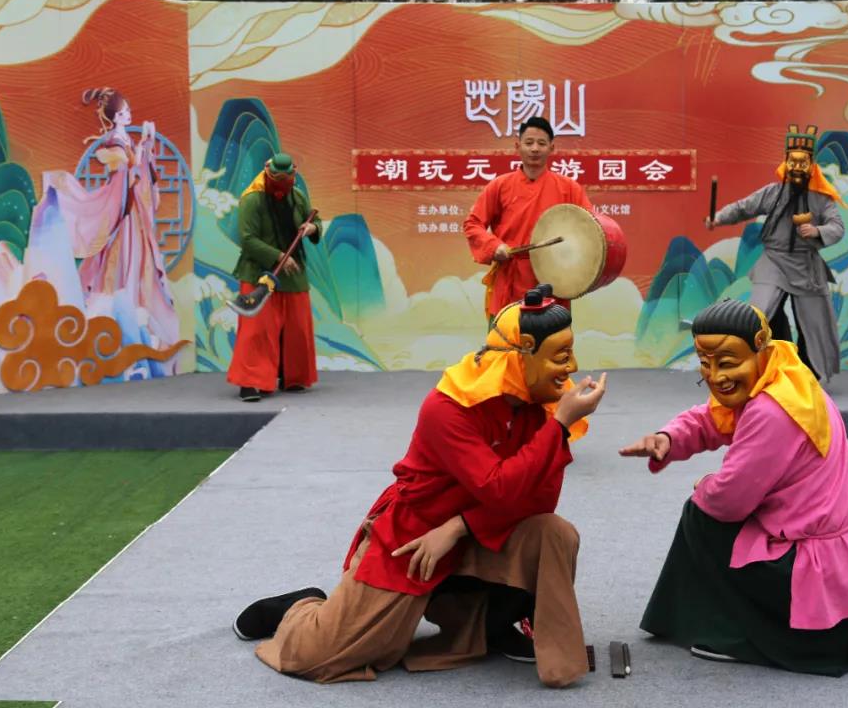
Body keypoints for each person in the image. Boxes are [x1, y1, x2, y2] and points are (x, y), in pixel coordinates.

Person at [233, 286, 607, 688]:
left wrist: (458, 527)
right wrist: (559, 426)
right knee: (318, 656)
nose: (572, 366)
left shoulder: (541, 410)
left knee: (553, 534)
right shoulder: (447, 408)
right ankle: (302, 607)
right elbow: (498, 488)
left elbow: (540, 499)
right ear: (523, 353)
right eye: (560, 356)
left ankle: (493, 629)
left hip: (477, 532)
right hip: (415, 535)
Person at [620, 299, 848, 676]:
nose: (714, 376)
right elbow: (713, 417)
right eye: (705, 363)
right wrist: (669, 437)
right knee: (713, 507)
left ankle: (739, 636)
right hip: (842, 553)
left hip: (808, 558)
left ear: (759, 347)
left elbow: (729, 501)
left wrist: (704, 485)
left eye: (726, 362)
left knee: (702, 514)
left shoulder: (771, 411)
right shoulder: (785, 375)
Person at [28, 87, 181, 374]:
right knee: (118, 262)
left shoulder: (125, 140)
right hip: (122, 212)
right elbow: (124, 176)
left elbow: (137, 170)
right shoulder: (113, 143)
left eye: (128, 110)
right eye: (124, 112)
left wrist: (145, 145)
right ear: (115, 117)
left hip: (132, 213)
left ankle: (137, 311)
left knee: (137, 261)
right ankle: (119, 312)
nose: (128, 115)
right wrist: (141, 148)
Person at [706, 124, 845, 383]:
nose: (797, 167)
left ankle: (810, 373)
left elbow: (837, 227)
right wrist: (719, 218)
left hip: (806, 266)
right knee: (760, 313)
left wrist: (817, 230)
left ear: (811, 166)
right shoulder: (773, 192)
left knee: (813, 322)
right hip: (774, 261)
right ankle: (759, 367)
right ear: (786, 163)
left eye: (803, 163)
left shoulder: (822, 198)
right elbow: (744, 207)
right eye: (793, 162)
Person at [464, 116, 592, 319]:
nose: (535, 149)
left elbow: (590, 227)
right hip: (510, 279)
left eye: (541, 143)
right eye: (529, 142)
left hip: (553, 283)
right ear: (518, 146)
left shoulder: (569, 188)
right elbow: (473, 224)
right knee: (505, 338)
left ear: (551, 148)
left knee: (553, 338)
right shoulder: (500, 186)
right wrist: (493, 246)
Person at [226, 153, 322, 401]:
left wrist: (312, 228)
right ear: (267, 173)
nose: (282, 183)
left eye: (286, 178)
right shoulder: (252, 199)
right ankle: (251, 382)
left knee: (298, 328)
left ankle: (292, 376)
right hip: (258, 272)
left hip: (292, 272)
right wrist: (278, 256)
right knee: (257, 329)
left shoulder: (297, 197)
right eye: (276, 178)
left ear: (293, 175)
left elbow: (315, 219)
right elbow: (248, 239)